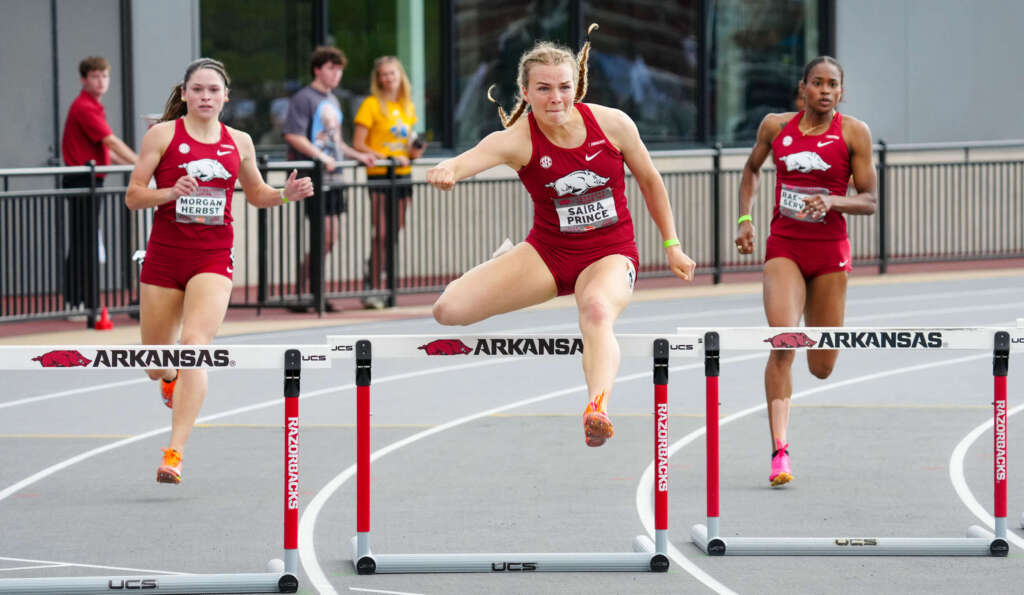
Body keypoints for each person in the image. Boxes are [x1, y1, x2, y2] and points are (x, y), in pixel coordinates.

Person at [426, 25, 696, 447]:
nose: (556, 98)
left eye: (564, 87)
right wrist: (446, 170)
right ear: (525, 92)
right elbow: (468, 159)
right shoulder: (517, 140)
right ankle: (506, 259)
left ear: (576, 87)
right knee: (447, 311)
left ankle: (597, 407)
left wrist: (672, 244)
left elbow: (650, 180)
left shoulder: (612, 124)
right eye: (544, 89)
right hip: (548, 255)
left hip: (609, 254)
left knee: (596, 310)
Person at [125, 58, 314, 484]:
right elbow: (133, 196)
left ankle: (174, 453)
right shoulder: (162, 135)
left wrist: (286, 194)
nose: (206, 97)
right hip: (164, 258)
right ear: (185, 94)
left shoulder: (239, 142)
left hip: (212, 258)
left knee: (194, 346)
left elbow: (258, 193)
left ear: (226, 96)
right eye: (198, 89)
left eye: (214, 90)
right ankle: (169, 377)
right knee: (155, 363)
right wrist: (169, 192)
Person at [734, 56, 877, 486]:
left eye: (833, 84)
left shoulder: (854, 132)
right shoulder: (775, 127)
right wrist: (745, 219)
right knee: (783, 342)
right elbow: (751, 169)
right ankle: (780, 451)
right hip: (785, 247)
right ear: (804, 88)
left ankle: (788, 430)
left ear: (841, 92)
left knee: (821, 367)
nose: (825, 90)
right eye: (818, 83)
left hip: (830, 253)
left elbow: (869, 200)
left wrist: (832, 201)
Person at [283, 46, 375, 312]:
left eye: (339, 69)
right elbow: (293, 135)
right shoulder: (304, 98)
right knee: (323, 236)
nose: (337, 74)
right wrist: (321, 157)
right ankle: (308, 293)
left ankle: (309, 291)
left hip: (334, 177)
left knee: (329, 238)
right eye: (331, 68)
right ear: (317, 70)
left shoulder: (333, 100)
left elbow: (337, 142)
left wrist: (359, 155)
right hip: (315, 179)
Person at [61, 56, 139, 309]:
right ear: (83, 80)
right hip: (83, 181)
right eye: (95, 76)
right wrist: (143, 163)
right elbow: (111, 141)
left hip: (89, 179)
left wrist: (133, 165)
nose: (101, 81)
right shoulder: (85, 107)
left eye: (104, 76)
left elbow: (106, 151)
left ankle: (79, 301)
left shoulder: (92, 106)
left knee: (85, 239)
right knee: (84, 241)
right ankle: (80, 302)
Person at [353, 56, 426, 309]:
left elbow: (410, 145)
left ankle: (383, 283)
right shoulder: (371, 104)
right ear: (378, 79)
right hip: (380, 174)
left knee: (394, 231)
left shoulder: (407, 106)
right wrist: (384, 156)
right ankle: (372, 284)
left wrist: (416, 150)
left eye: (392, 73)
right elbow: (358, 144)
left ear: (400, 76)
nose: (388, 78)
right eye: (383, 74)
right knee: (382, 232)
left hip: (403, 173)